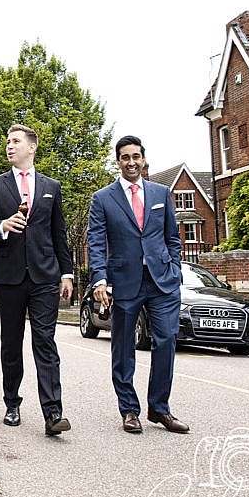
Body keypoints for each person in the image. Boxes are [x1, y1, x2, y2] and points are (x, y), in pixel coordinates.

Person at [87, 135, 189, 434]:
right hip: (124, 282)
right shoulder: (103, 198)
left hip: (161, 282)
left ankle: (160, 409)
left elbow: (172, 236)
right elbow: (96, 242)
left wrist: (175, 267)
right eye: (125, 157)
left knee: (166, 340)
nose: (131, 162)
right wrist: (100, 279)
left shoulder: (161, 193)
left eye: (136, 157)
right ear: (118, 161)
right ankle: (129, 409)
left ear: (143, 159)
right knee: (122, 347)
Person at [0, 124, 73, 435]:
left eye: (16, 141)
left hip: (45, 276)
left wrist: (67, 272)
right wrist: (3, 224)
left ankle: (53, 412)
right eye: (7, 141)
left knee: (44, 341)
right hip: (10, 277)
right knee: (11, 342)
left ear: (31, 147)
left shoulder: (51, 186)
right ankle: (12, 403)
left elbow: (59, 234)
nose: (9, 146)